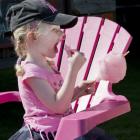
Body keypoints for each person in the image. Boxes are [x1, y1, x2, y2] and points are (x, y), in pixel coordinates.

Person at [5, 0, 96, 139]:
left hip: (62, 127)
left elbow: (55, 101)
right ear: (32, 37)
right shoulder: (32, 71)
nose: (62, 35)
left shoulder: (48, 64)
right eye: (55, 31)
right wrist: (73, 71)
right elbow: (58, 106)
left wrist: (78, 90)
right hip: (47, 134)